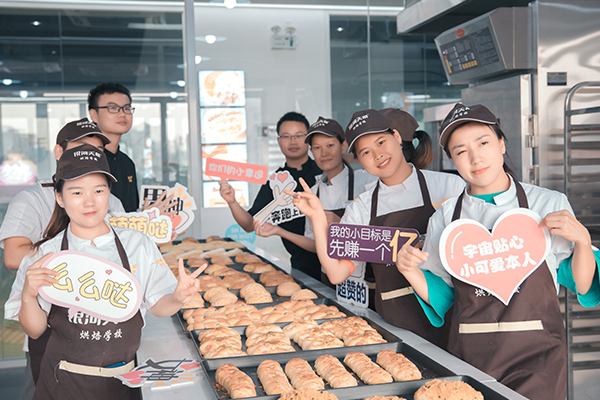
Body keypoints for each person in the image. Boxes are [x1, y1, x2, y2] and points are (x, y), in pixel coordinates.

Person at [394, 103, 600, 400]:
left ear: (502, 144)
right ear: (452, 159)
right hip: (470, 359)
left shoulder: (548, 203)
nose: (475, 157)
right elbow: (446, 295)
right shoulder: (447, 218)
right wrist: (410, 270)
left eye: (484, 143)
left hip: (538, 359)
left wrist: (582, 240)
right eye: (461, 151)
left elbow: (581, 284)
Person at [8, 143, 203, 400]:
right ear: (60, 197)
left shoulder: (137, 244)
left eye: (99, 190)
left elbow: (158, 306)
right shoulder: (45, 255)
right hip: (63, 383)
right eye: (76, 192)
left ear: (109, 193)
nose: (89, 201)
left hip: (125, 382)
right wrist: (28, 295)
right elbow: (34, 330)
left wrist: (178, 298)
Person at [289, 109, 465, 349]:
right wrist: (318, 219)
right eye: (365, 152)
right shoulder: (361, 209)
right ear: (360, 162)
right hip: (398, 327)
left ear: (395, 136)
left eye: (381, 142)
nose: (378, 155)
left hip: (453, 317)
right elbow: (337, 273)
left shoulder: (448, 186)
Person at [0, 118, 125, 400]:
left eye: (96, 150)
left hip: (105, 322)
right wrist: (76, 256)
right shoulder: (32, 199)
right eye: (80, 148)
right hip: (52, 326)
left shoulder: (111, 201)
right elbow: (12, 256)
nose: (88, 155)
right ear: (59, 153)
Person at [253, 116, 377, 286]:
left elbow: (382, 230)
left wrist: (340, 222)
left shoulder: (367, 181)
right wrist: (278, 231)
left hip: (366, 279)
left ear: (343, 146)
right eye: (317, 148)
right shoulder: (312, 192)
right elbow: (314, 243)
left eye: (330, 146)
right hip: (329, 277)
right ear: (311, 151)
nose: (324, 153)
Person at [219, 111, 323, 280]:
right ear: (278, 141)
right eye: (286, 136)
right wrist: (232, 202)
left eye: (299, 135)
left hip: (337, 259)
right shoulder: (276, 182)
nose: (293, 141)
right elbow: (249, 225)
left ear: (308, 139)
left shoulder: (325, 172)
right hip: (302, 266)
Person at [88, 82, 139, 212]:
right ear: (94, 115)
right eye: (113, 108)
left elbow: (131, 213)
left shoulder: (127, 163)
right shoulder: (88, 160)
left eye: (127, 108)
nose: (122, 114)